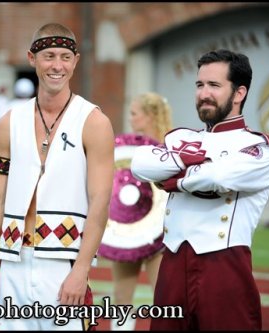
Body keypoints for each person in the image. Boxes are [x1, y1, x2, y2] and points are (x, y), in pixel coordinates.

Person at [0, 22, 115, 330]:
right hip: (13, 260)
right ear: (32, 58)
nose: (57, 65)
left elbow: (100, 201)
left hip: (62, 263)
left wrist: (80, 271)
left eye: (65, 56)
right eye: (49, 55)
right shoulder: (9, 122)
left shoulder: (94, 122)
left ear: (76, 61)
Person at [130, 49, 269, 330]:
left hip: (225, 269)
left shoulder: (260, 149)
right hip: (172, 264)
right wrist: (184, 161)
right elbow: (140, 162)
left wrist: (176, 179)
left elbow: (220, 175)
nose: (203, 94)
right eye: (200, 85)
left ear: (239, 93)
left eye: (214, 85)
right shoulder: (181, 137)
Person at [98, 92, 173, 331]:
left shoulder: (172, 146)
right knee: (121, 298)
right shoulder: (122, 148)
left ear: (150, 115)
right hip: (125, 233)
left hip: (161, 236)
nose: (130, 119)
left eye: (134, 113)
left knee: (164, 301)